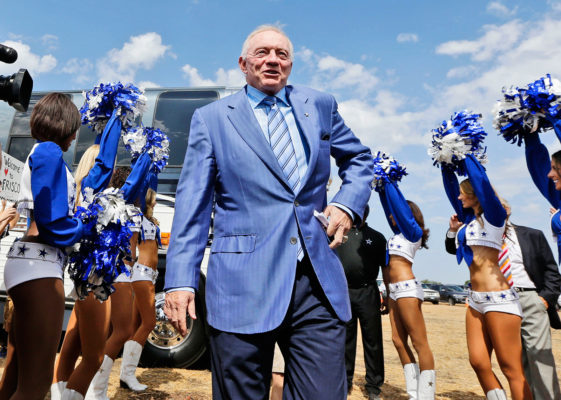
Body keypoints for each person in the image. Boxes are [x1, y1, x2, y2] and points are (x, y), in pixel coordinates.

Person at [164, 25, 373, 399]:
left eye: (282, 54)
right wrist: (180, 281)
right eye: (262, 53)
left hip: (316, 282)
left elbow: (358, 160)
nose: (273, 60)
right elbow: (192, 205)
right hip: (242, 283)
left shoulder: (320, 105)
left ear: (291, 64)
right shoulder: (212, 119)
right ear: (243, 64)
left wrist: (345, 205)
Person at [0, 93, 84, 400]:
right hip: (40, 264)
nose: (76, 135)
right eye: (75, 126)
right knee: (34, 387)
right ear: (64, 125)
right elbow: (52, 221)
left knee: (15, 376)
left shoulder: (41, 151)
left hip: (29, 262)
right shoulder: (49, 151)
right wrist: (85, 228)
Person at [441, 154, 531, 400]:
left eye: (463, 193)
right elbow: (451, 191)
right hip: (475, 298)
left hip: (499, 298)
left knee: (511, 368)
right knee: (479, 362)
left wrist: (466, 152)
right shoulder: (470, 221)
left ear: (475, 194)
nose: (458, 198)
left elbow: (481, 181)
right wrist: (446, 164)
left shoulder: (494, 216)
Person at [445, 216, 561, 400]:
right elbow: (453, 248)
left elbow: (551, 271)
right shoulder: (482, 236)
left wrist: (544, 300)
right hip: (498, 300)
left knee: (538, 356)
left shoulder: (531, 234)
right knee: (515, 360)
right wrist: (453, 230)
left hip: (528, 297)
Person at [85, 156, 152, 400]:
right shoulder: (127, 210)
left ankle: (96, 388)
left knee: (116, 331)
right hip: (121, 272)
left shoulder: (117, 206)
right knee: (121, 331)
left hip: (118, 271)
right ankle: (96, 390)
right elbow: (130, 246)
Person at [376, 169, 435, 400]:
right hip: (394, 292)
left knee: (420, 343)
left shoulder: (413, 233)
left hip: (409, 290)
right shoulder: (397, 235)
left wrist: (390, 180)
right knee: (398, 341)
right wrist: (381, 187)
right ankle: (413, 393)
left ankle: (426, 395)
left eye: (396, 214)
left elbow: (397, 208)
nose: (391, 216)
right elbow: (389, 206)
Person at [336, 205, 386, 400]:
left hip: (368, 292)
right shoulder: (338, 234)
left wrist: (387, 294)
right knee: (346, 339)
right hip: (343, 292)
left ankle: (373, 386)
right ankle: (345, 381)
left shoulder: (377, 237)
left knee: (373, 340)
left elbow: (386, 268)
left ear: (365, 213)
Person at [120, 183, 159, 392]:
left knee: (136, 325)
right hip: (141, 273)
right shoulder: (137, 217)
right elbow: (132, 242)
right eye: (154, 197)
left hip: (150, 274)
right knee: (149, 322)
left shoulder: (151, 219)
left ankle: (126, 375)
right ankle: (127, 374)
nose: (157, 200)